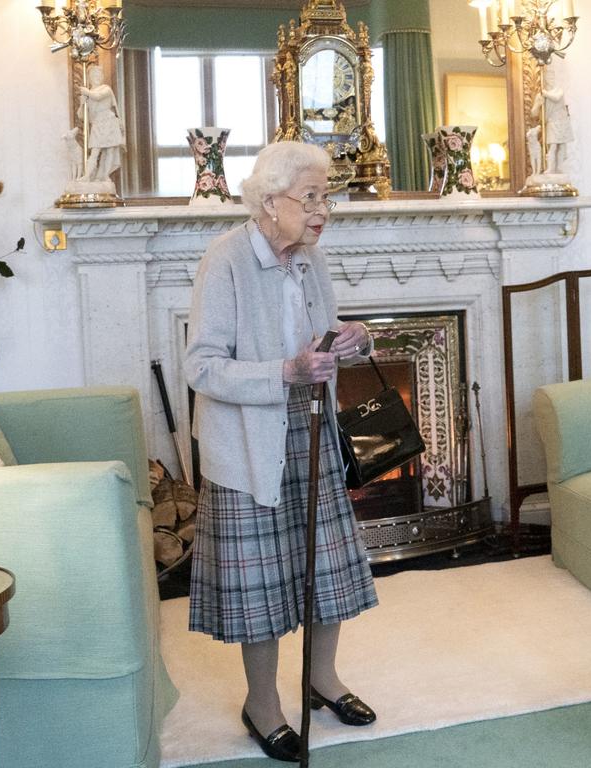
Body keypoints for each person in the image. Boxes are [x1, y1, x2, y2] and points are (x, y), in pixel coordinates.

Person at [184, 141, 378, 763]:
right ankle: (262, 704)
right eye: (312, 197)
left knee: (327, 568)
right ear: (270, 203)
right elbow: (202, 367)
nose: (324, 211)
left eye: (328, 197)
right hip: (248, 446)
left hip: (313, 429)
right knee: (262, 588)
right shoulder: (226, 260)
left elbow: (318, 335)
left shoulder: (310, 260)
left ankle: (322, 680)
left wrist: (351, 338)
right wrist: (286, 373)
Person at [76, 65, 125, 182]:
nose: (97, 77)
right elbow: (81, 115)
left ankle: (104, 176)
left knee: (109, 151)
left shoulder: (106, 89)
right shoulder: (88, 94)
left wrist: (87, 92)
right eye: (94, 75)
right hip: (97, 123)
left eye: (99, 75)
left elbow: (98, 97)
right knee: (95, 151)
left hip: (109, 121)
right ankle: (87, 176)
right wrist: (82, 104)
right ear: (90, 78)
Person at [530, 64, 573, 175]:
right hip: (552, 122)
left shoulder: (558, 90)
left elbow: (557, 97)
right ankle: (551, 168)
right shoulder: (541, 95)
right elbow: (533, 114)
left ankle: (559, 167)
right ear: (545, 79)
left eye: (552, 77)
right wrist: (538, 105)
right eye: (549, 77)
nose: (551, 79)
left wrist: (546, 94)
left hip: (562, 121)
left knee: (562, 146)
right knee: (553, 146)